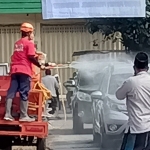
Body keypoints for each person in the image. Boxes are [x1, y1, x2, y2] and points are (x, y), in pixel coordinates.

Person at [4, 22, 48, 122]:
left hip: (15, 70)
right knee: (24, 92)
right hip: (24, 70)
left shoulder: (17, 43)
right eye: (32, 33)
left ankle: (7, 114)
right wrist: (40, 65)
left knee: (11, 91)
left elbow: (21, 55)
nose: (33, 35)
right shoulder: (29, 43)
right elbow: (30, 57)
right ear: (29, 33)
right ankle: (24, 115)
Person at [116, 52, 150, 150]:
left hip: (137, 128)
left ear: (134, 67)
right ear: (147, 68)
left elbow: (119, 95)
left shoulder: (131, 82)